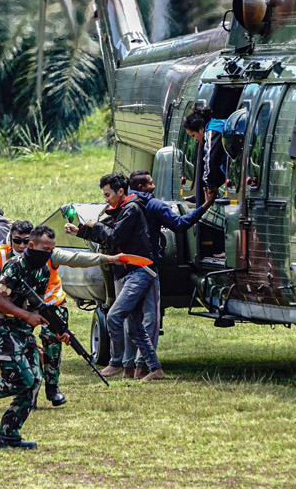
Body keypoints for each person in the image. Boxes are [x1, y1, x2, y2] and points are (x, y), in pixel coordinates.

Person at [0, 219, 122, 405]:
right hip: (18, 311)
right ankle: (23, 393)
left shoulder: (47, 253)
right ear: (10, 240)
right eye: (17, 241)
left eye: (25, 241)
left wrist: (110, 259)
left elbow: (77, 259)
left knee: (52, 340)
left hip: (51, 305)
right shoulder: (3, 255)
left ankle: (52, 387)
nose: (21, 245)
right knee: (23, 358)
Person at [0, 225, 71, 449]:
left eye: (51, 249)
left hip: (22, 329)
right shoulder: (14, 266)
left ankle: (9, 434)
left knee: (34, 381)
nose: (48, 253)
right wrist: (27, 315)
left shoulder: (44, 271)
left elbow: (37, 306)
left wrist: (60, 330)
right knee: (19, 379)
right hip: (3, 327)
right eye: (45, 249)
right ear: (31, 245)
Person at [65, 172, 164, 381]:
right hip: (128, 273)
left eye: (108, 195)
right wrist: (80, 231)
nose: (106, 199)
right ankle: (155, 369)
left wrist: (94, 225)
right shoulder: (122, 209)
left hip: (138, 272)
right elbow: (108, 235)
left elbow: (114, 236)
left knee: (114, 316)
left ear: (121, 191)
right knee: (135, 327)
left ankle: (116, 362)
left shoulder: (131, 209)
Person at [122, 170, 215, 378]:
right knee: (151, 318)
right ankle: (143, 366)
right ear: (141, 187)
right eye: (150, 183)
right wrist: (206, 205)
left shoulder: (123, 204)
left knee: (130, 317)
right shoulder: (154, 205)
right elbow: (180, 225)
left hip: (125, 267)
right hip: (147, 268)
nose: (153, 186)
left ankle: (127, 367)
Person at [183, 105, 227, 194]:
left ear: (201, 129)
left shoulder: (212, 131)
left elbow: (211, 160)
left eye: (193, 135)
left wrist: (209, 185)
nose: (195, 139)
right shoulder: (217, 124)